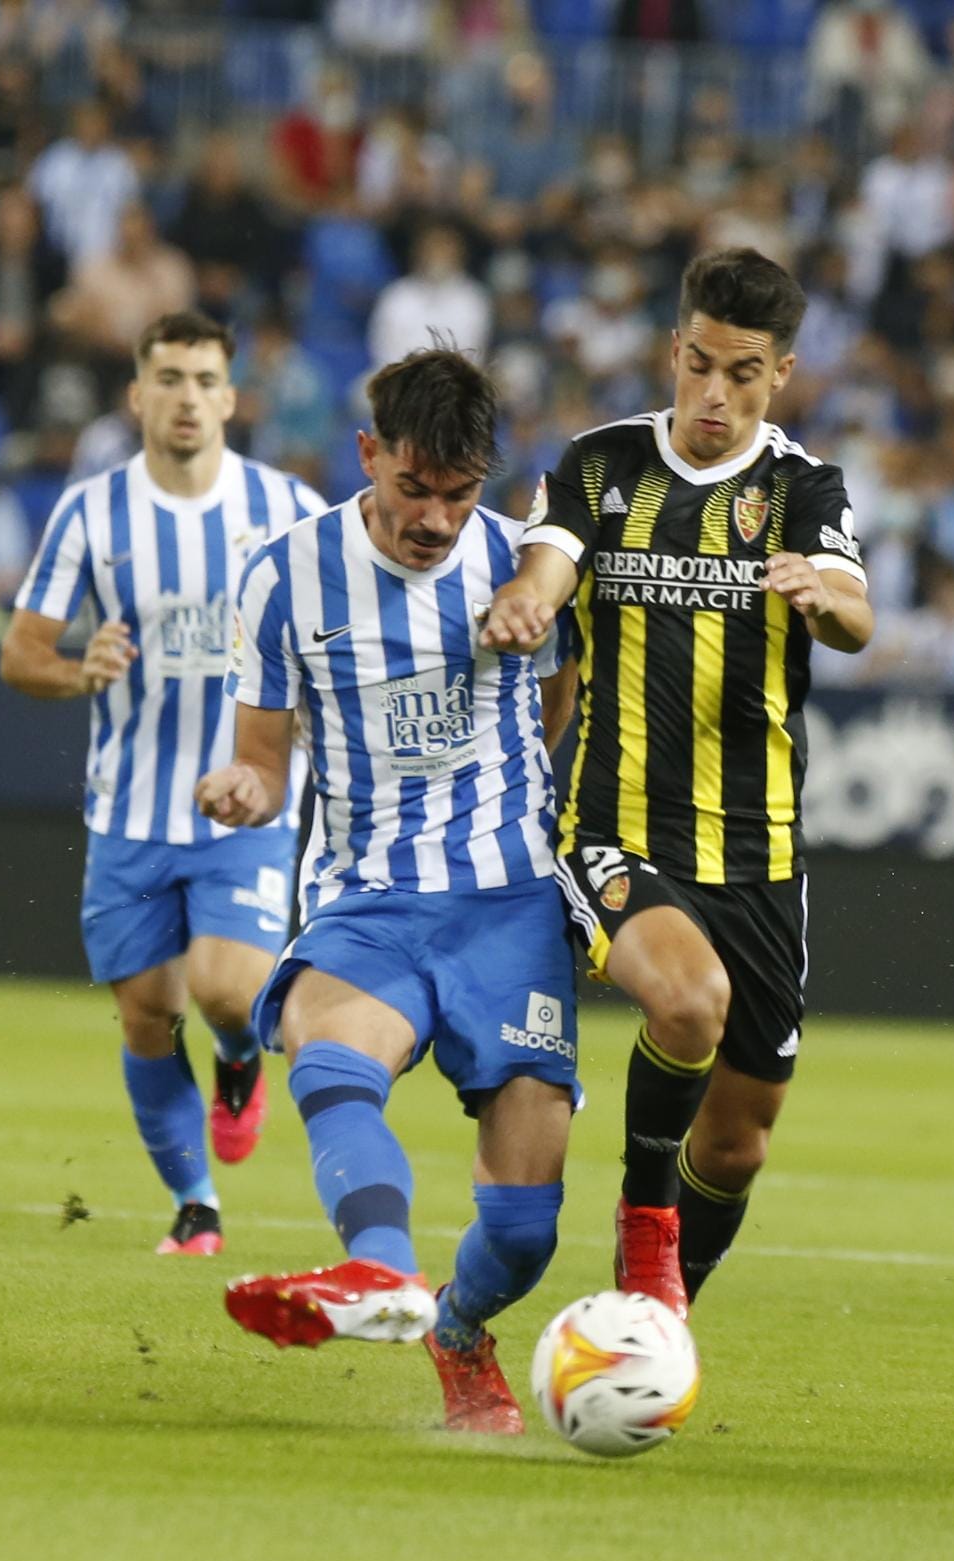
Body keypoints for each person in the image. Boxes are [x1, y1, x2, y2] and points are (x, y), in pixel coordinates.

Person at [482, 247, 874, 1321]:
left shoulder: (802, 487)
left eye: (741, 373)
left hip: (758, 852)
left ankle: (657, 1324)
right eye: (698, 363)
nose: (713, 393)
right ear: (673, 348)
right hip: (615, 826)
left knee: (741, 1140)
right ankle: (643, 1217)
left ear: (780, 373)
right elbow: (551, 557)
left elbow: (856, 613)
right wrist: (527, 598)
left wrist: (818, 597)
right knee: (688, 1002)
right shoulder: (601, 464)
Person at [195, 348, 579, 1433]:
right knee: (331, 1052)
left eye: (458, 494)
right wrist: (244, 785)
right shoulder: (285, 573)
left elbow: (559, 707)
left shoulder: (524, 564)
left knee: (524, 1227)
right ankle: (379, 1272)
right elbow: (264, 761)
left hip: (510, 906)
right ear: (369, 455)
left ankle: (459, 1325)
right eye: (414, 488)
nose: (436, 519)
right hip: (368, 897)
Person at [0, 311, 327, 1255]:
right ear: (137, 394)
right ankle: (196, 1203)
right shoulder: (90, 511)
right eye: (169, 379)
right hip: (131, 811)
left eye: (204, 380)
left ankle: (237, 1062)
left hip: (249, 801)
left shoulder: (287, 510)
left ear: (232, 397)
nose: (187, 398)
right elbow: (22, 653)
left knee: (228, 994)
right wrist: (78, 669)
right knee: (149, 1013)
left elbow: (338, 627)